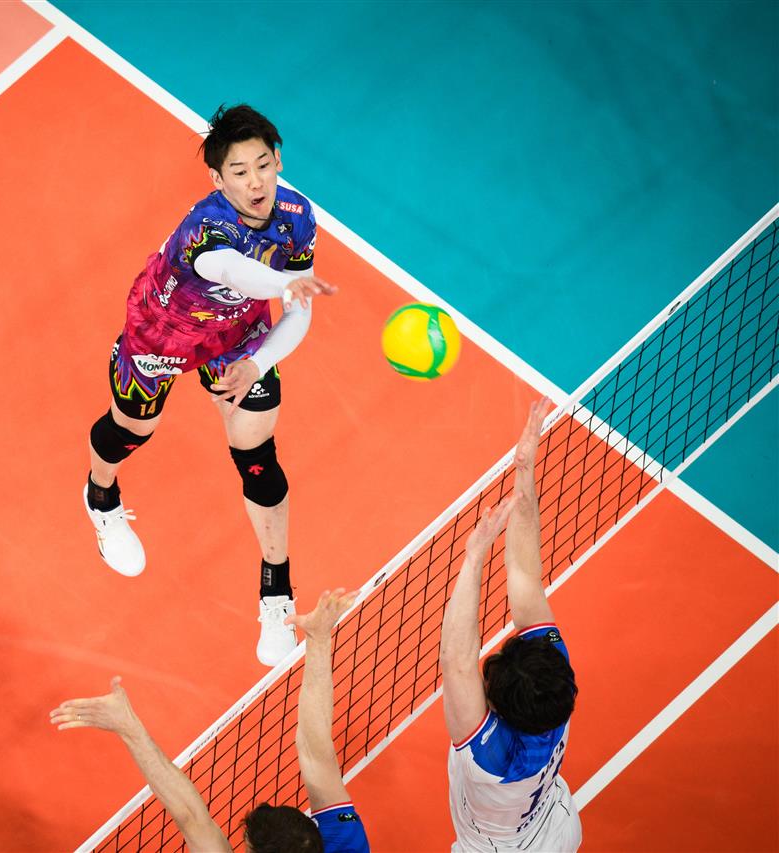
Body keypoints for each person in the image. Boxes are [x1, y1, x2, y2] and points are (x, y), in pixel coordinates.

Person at [82, 103, 338, 666]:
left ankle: (276, 590)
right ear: (218, 180)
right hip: (163, 332)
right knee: (132, 430)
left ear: (277, 160)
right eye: (240, 172)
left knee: (257, 454)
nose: (256, 182)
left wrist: (259, 362)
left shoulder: (296, 217)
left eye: (263, 165)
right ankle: (101, 497)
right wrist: (287, 283)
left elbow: (298, 313)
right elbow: (232, 272)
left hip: (238, 334)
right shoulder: (207, 228)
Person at [51, 589, 371, 852]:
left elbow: (193, 818)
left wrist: (129, 727)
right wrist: (318, 638)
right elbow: (316, 751)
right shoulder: (346, 842)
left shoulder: (346, 842)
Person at [439, 398, 582, 851]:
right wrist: (525, 469)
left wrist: (476, 553)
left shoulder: (492, 758)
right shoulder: (552, 685)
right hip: (556, 827)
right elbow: (524, 574)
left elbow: (457, 661)